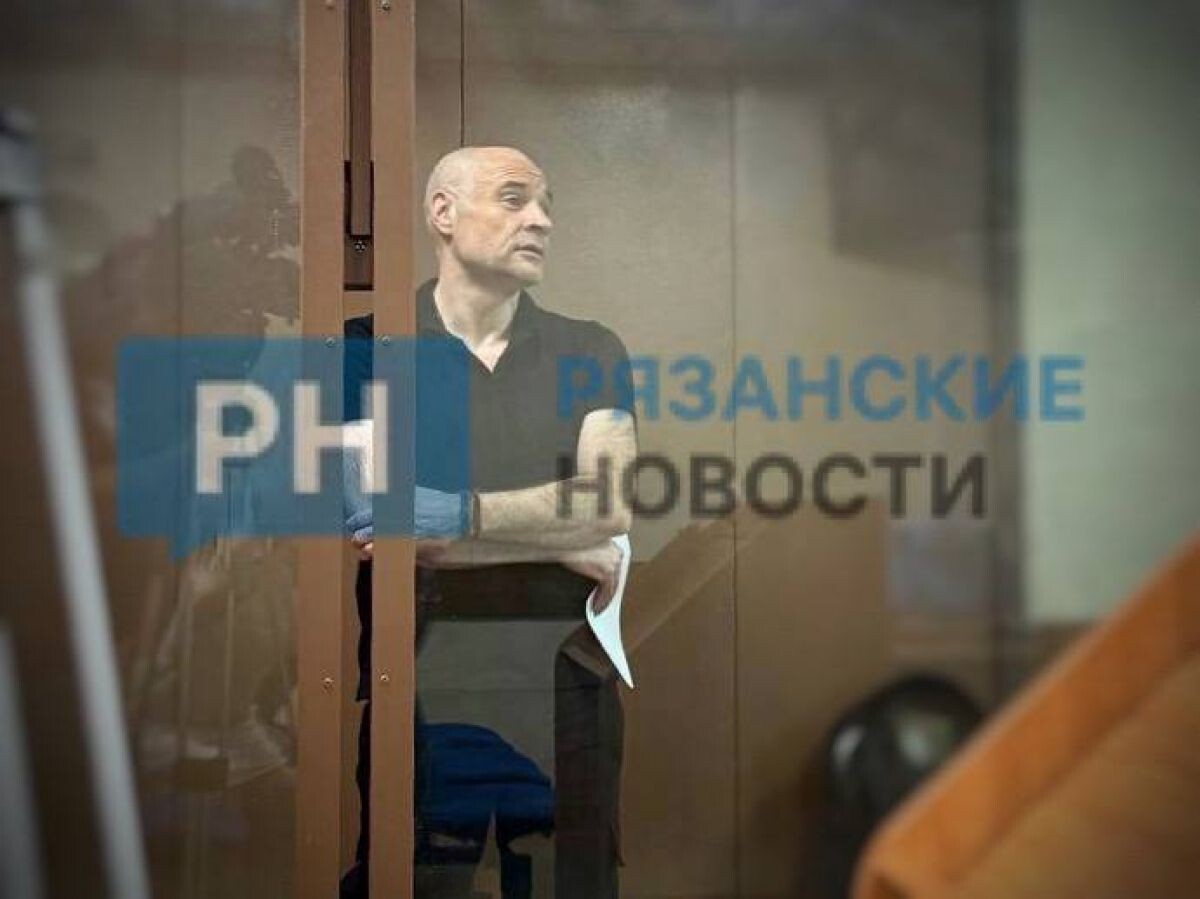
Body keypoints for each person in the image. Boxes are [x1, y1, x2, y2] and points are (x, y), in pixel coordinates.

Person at [339, 146, 637, 898]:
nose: (541, 220)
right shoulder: (363, 348)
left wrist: (454, 515)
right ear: (443, 212)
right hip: (423, 686)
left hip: (567, 689)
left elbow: (608, 504)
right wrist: (565, 544)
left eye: (546, 204)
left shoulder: (590, 348)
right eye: (514, 198)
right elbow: (377, 519)